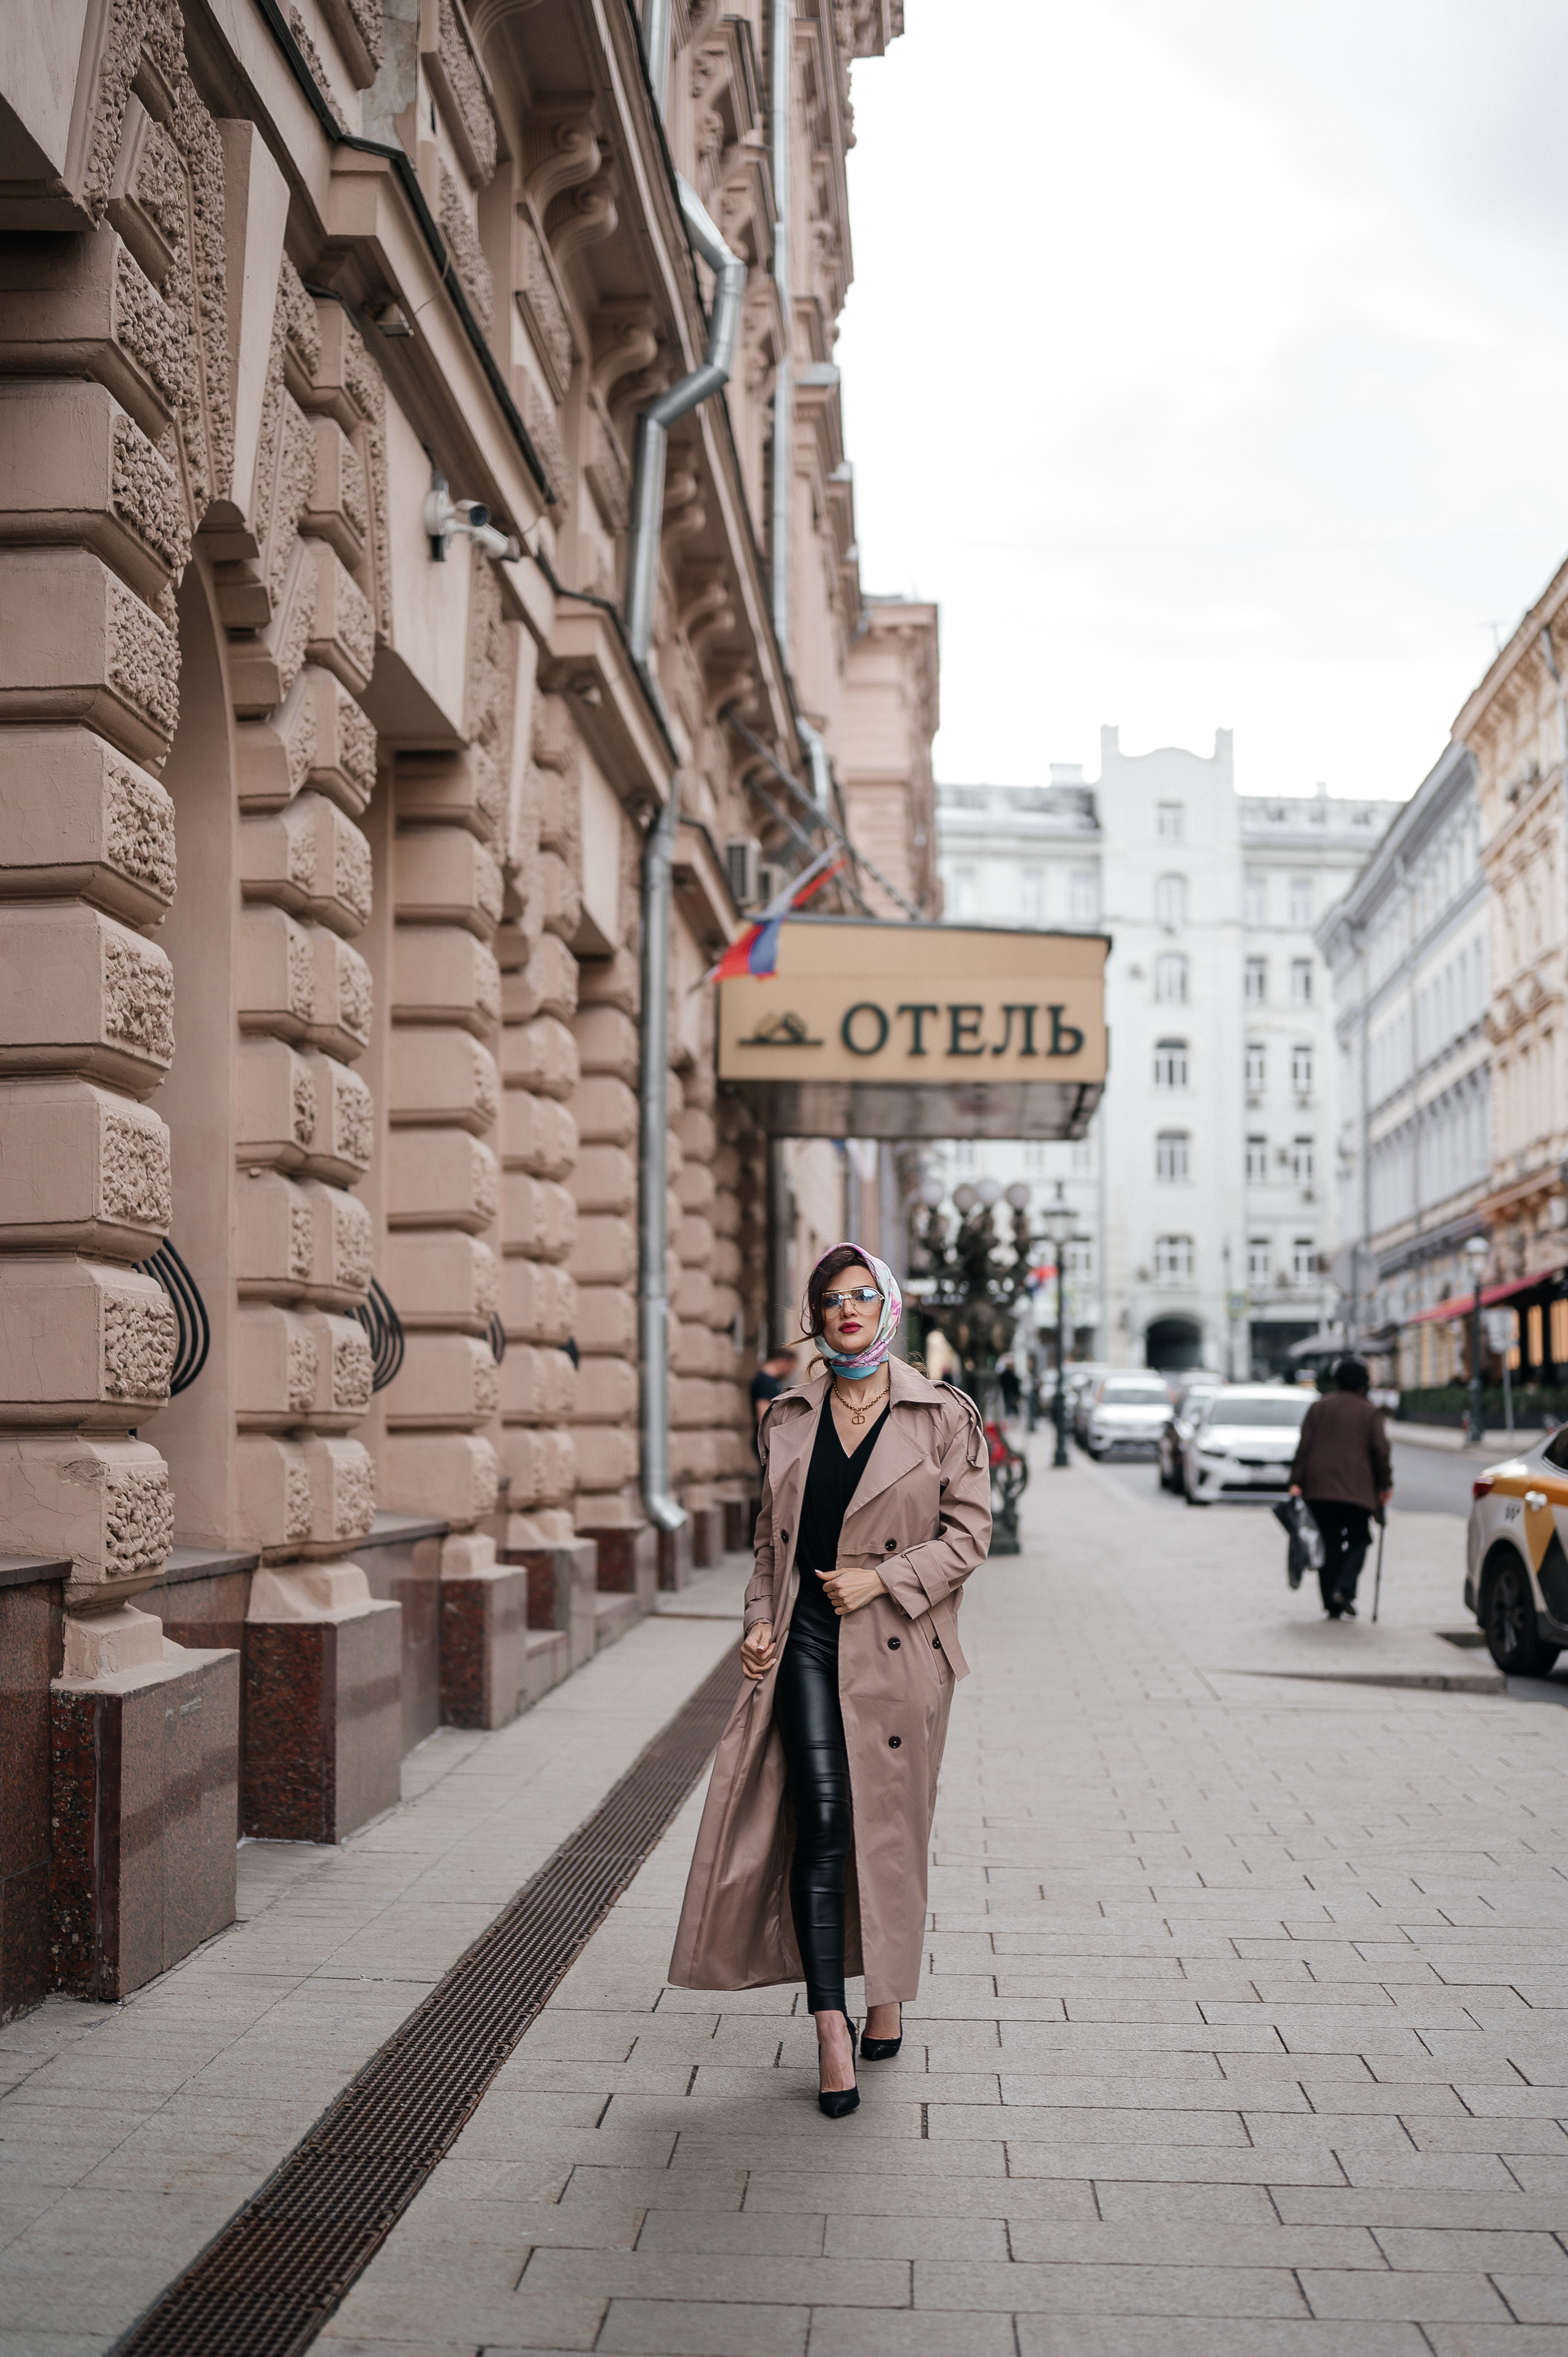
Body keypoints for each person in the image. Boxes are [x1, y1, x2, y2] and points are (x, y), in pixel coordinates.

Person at [668, 1243, 992, 2117]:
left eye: (861, 1294)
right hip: (808, 1640)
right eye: (829, 1297)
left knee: (886, 1827)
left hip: (897, 1642)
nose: (846, 1308)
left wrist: (882, 1578)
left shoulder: (943, 1414)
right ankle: (829, 2025)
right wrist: (761, 1616)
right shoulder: (786, 1415)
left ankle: (886, 1990)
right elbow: (772, 1543)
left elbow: (969, 1536)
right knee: (820, 1815)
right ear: (813, 1315)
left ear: (887, 1305)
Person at [1287, 1356, 1392, 1619]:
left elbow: (1304, 1447)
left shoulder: (1319, 1407)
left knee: (1329, 1543)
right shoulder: (1370, 1412)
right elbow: (1381, 1453)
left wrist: (1296, 1481)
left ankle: (1332, 1602)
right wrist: (1385, 1485)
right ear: (1364, 1384)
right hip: (1358, 1491)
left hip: (1319, 1489)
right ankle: (1344, 1588)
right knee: (1360, 1539)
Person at [750, 1348, 797, 1462]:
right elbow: (763, 1416)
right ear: (782, 1362)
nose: (792, 1372)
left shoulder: (771, 1381)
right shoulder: (765, 1382)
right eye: (792, 1367)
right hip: (768, 1441)